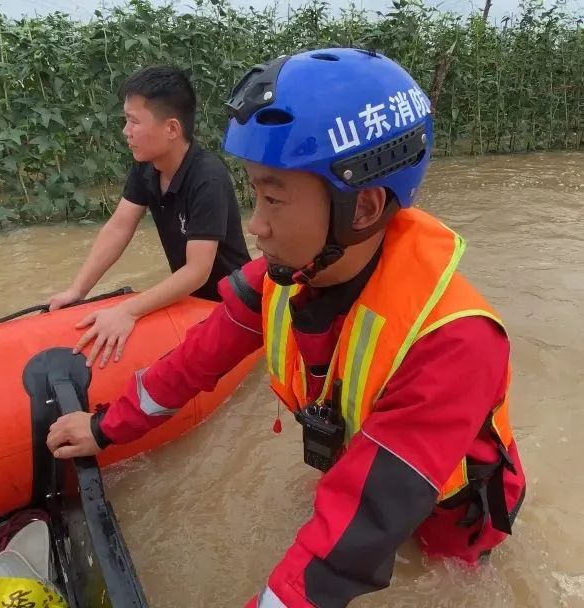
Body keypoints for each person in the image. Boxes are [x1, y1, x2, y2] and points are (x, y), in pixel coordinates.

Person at [45, 48, 527, 607]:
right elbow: (192, 362)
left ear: (365, 206)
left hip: (453, 518)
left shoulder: (455, 342)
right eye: (254, 193)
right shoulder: (281, 279)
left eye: (273, 198)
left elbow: (356, 534)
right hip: (360, 459)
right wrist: (105, 428)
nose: (255, 225)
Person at [47, 65, 251, 368]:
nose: (125, 132)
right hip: (187, 301)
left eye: (133, 122)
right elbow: (119, 227)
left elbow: (197, 270)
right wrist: (77, 291)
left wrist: (129, 310)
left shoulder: (207, 178)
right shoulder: (147, 166)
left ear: (171, 128)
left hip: (230, 305)